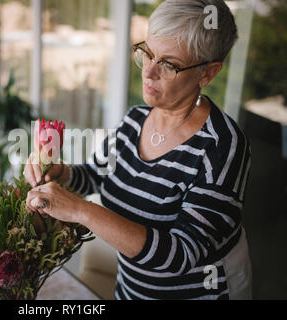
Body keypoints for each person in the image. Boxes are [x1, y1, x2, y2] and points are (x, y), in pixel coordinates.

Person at [24, 0, 252, 300]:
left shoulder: (221, 147)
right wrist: (62, 173)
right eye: (148, 53)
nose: (148, 72)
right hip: (131, 292)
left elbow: (179, 256)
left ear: (207, 74)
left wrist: (81, 211)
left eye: (169, 64)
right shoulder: (135, 119)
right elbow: (95, 174)